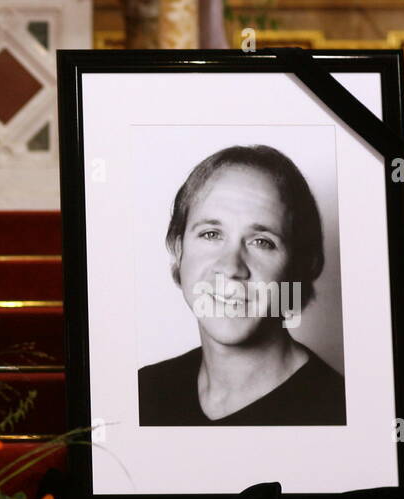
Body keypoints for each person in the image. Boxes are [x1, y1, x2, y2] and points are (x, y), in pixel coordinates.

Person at [137, 144, 345, 426]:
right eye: (211, 234)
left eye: (262, 242)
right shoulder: (145, 392)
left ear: (299, 265)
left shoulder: (336, 409)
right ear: (178, 249)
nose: (231, 267)